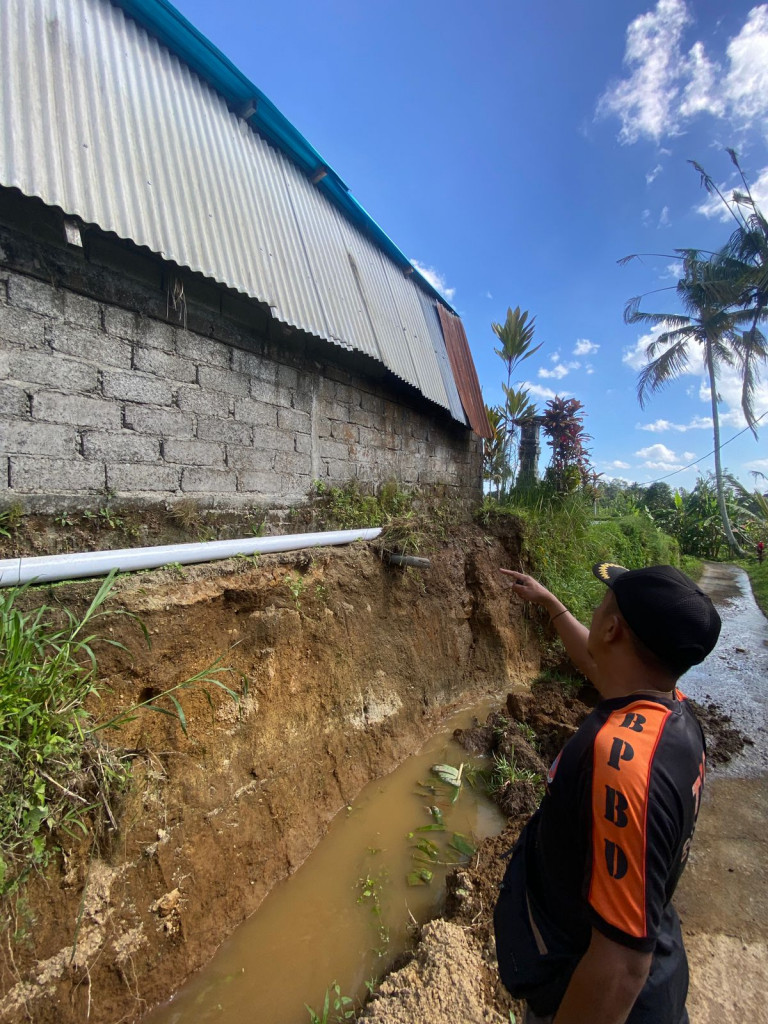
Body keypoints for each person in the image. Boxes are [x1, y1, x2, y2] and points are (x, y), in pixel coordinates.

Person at [493, 562, 722, 1024]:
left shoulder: (623, 767)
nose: (595, 612)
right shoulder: (668, 713)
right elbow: (598, 664)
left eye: (602, 604)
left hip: (591, 997)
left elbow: (619, 968)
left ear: (612, 627)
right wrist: (551, 603)